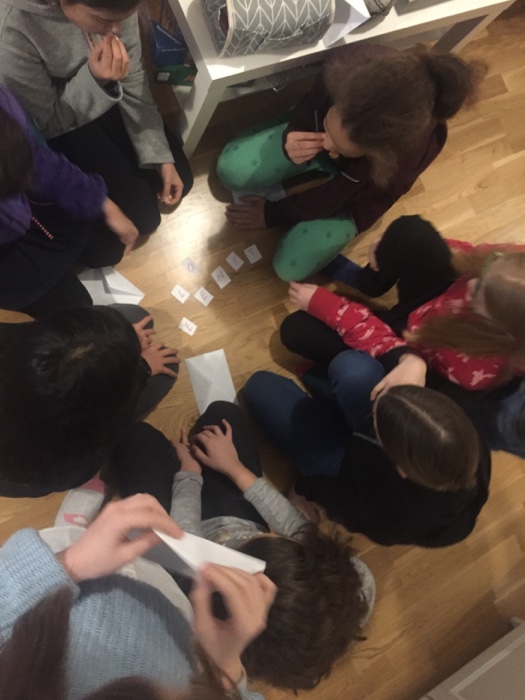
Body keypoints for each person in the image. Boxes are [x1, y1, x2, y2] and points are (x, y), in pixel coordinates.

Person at [100, 401, 375, 690]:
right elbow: (298, 528)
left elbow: (186, 544)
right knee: (223, 414)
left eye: (254, 541)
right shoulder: (351, 583)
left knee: (137, 437)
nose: (272, 532)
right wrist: (234, 468)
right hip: (214, 531)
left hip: (184, 544)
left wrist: (189, 474)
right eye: (282, 539)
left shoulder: (205, 615)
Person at [217, 45, 485, 281]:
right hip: (353, 166)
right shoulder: (350, 64)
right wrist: (294, 134)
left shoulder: (406, 155)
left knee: (289, 268)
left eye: (338, 146)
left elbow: (336, 196)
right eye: (328, 126)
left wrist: (272, 214)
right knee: (231, 170)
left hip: (360, 194)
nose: (326, 144)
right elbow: (310, 106)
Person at [281, 216, 525, 455]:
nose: (471, 284)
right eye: (488, 268)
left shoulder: (472, 369)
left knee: (299, 331)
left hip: (408, 347)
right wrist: (392, 247)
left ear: (499, 330)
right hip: (426, 314)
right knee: (410, 233)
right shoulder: (509, 272)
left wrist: (333, 308)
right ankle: (368, 282)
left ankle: (330, 382)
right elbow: (469, 257)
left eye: (480, 294)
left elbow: (398, 347)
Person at [0, 494, 274, 700]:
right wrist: (223, 671)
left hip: (73, 586)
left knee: (74, 539)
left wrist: (70, 562)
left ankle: (73, 530)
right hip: (164, 608)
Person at [0, 0, 193, 239]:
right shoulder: (12, 28)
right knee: (144, 218)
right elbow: (47, 123)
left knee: (181, 177)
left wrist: (160, 155)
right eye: (104, 20)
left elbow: (133, 76)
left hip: (99, 87)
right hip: (63, 114)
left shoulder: (117, 10)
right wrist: (96, 80)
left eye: (126, 18)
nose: (117, 30)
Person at [243, 375, 491, 548]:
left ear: (401, 469)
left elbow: (341, 500)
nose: (373, 411)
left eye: (376, 424)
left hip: (346, 473)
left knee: (261, 388)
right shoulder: (466, 438)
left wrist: (303, 488)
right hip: (365, 463)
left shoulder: (394, 517)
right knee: (350, 368)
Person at [0, 304, 179, 498]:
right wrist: (142, 367)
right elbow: (113, 422)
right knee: (167, 366)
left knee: (133, 317)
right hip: (32, 476)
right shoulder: (73, 460)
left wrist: (114, 346)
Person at [0, 86, 138, 315]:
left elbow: (37, 159)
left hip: (28, 207)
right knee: (79, 308)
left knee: (109, 250)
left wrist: (100, 201)